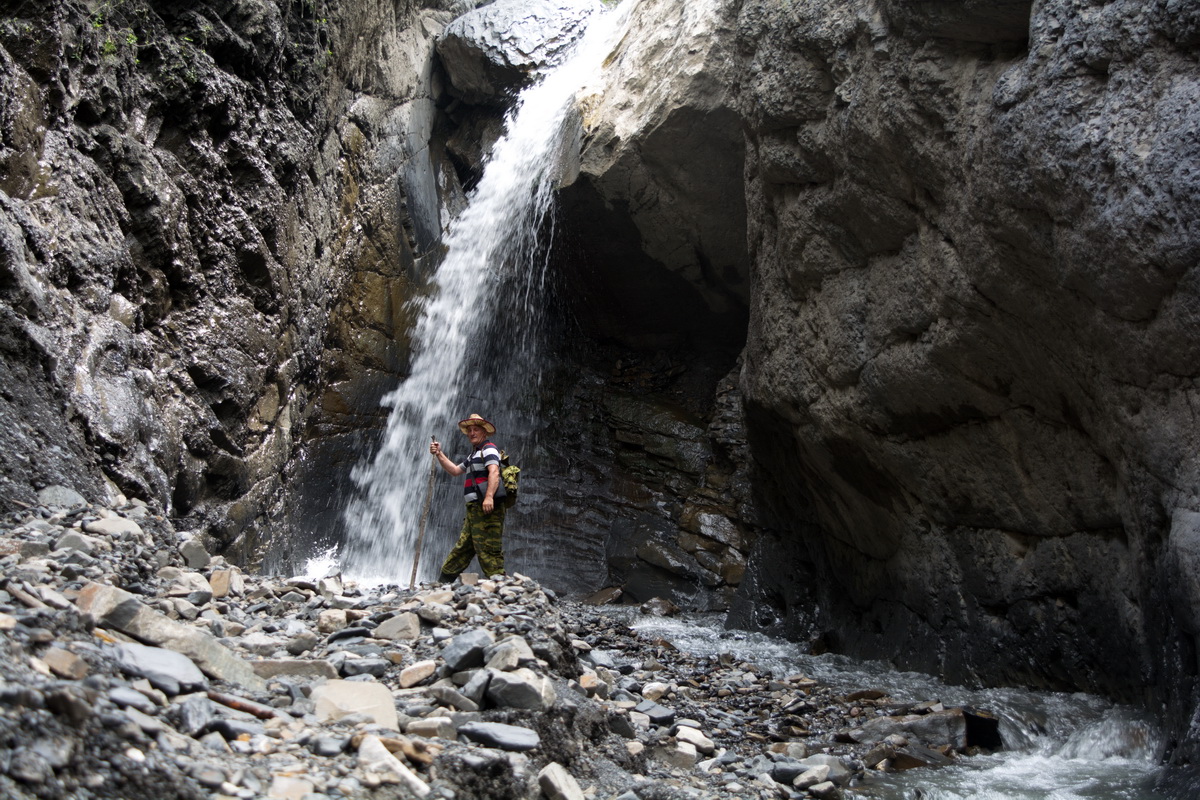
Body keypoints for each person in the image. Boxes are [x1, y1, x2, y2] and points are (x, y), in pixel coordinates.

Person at [430, 413, 508, 581]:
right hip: (474, 510)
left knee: (488, 546)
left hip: (486, 508)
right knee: (463, 548)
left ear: (484, 433)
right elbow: (455, 470)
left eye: (476, 430)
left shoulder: (489, 449)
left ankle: (502, 587)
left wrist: (489, 498)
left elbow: (494, 472)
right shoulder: (473, 455)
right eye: (470, 430)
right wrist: (439, 453)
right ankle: (443, 583)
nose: (472, 433)